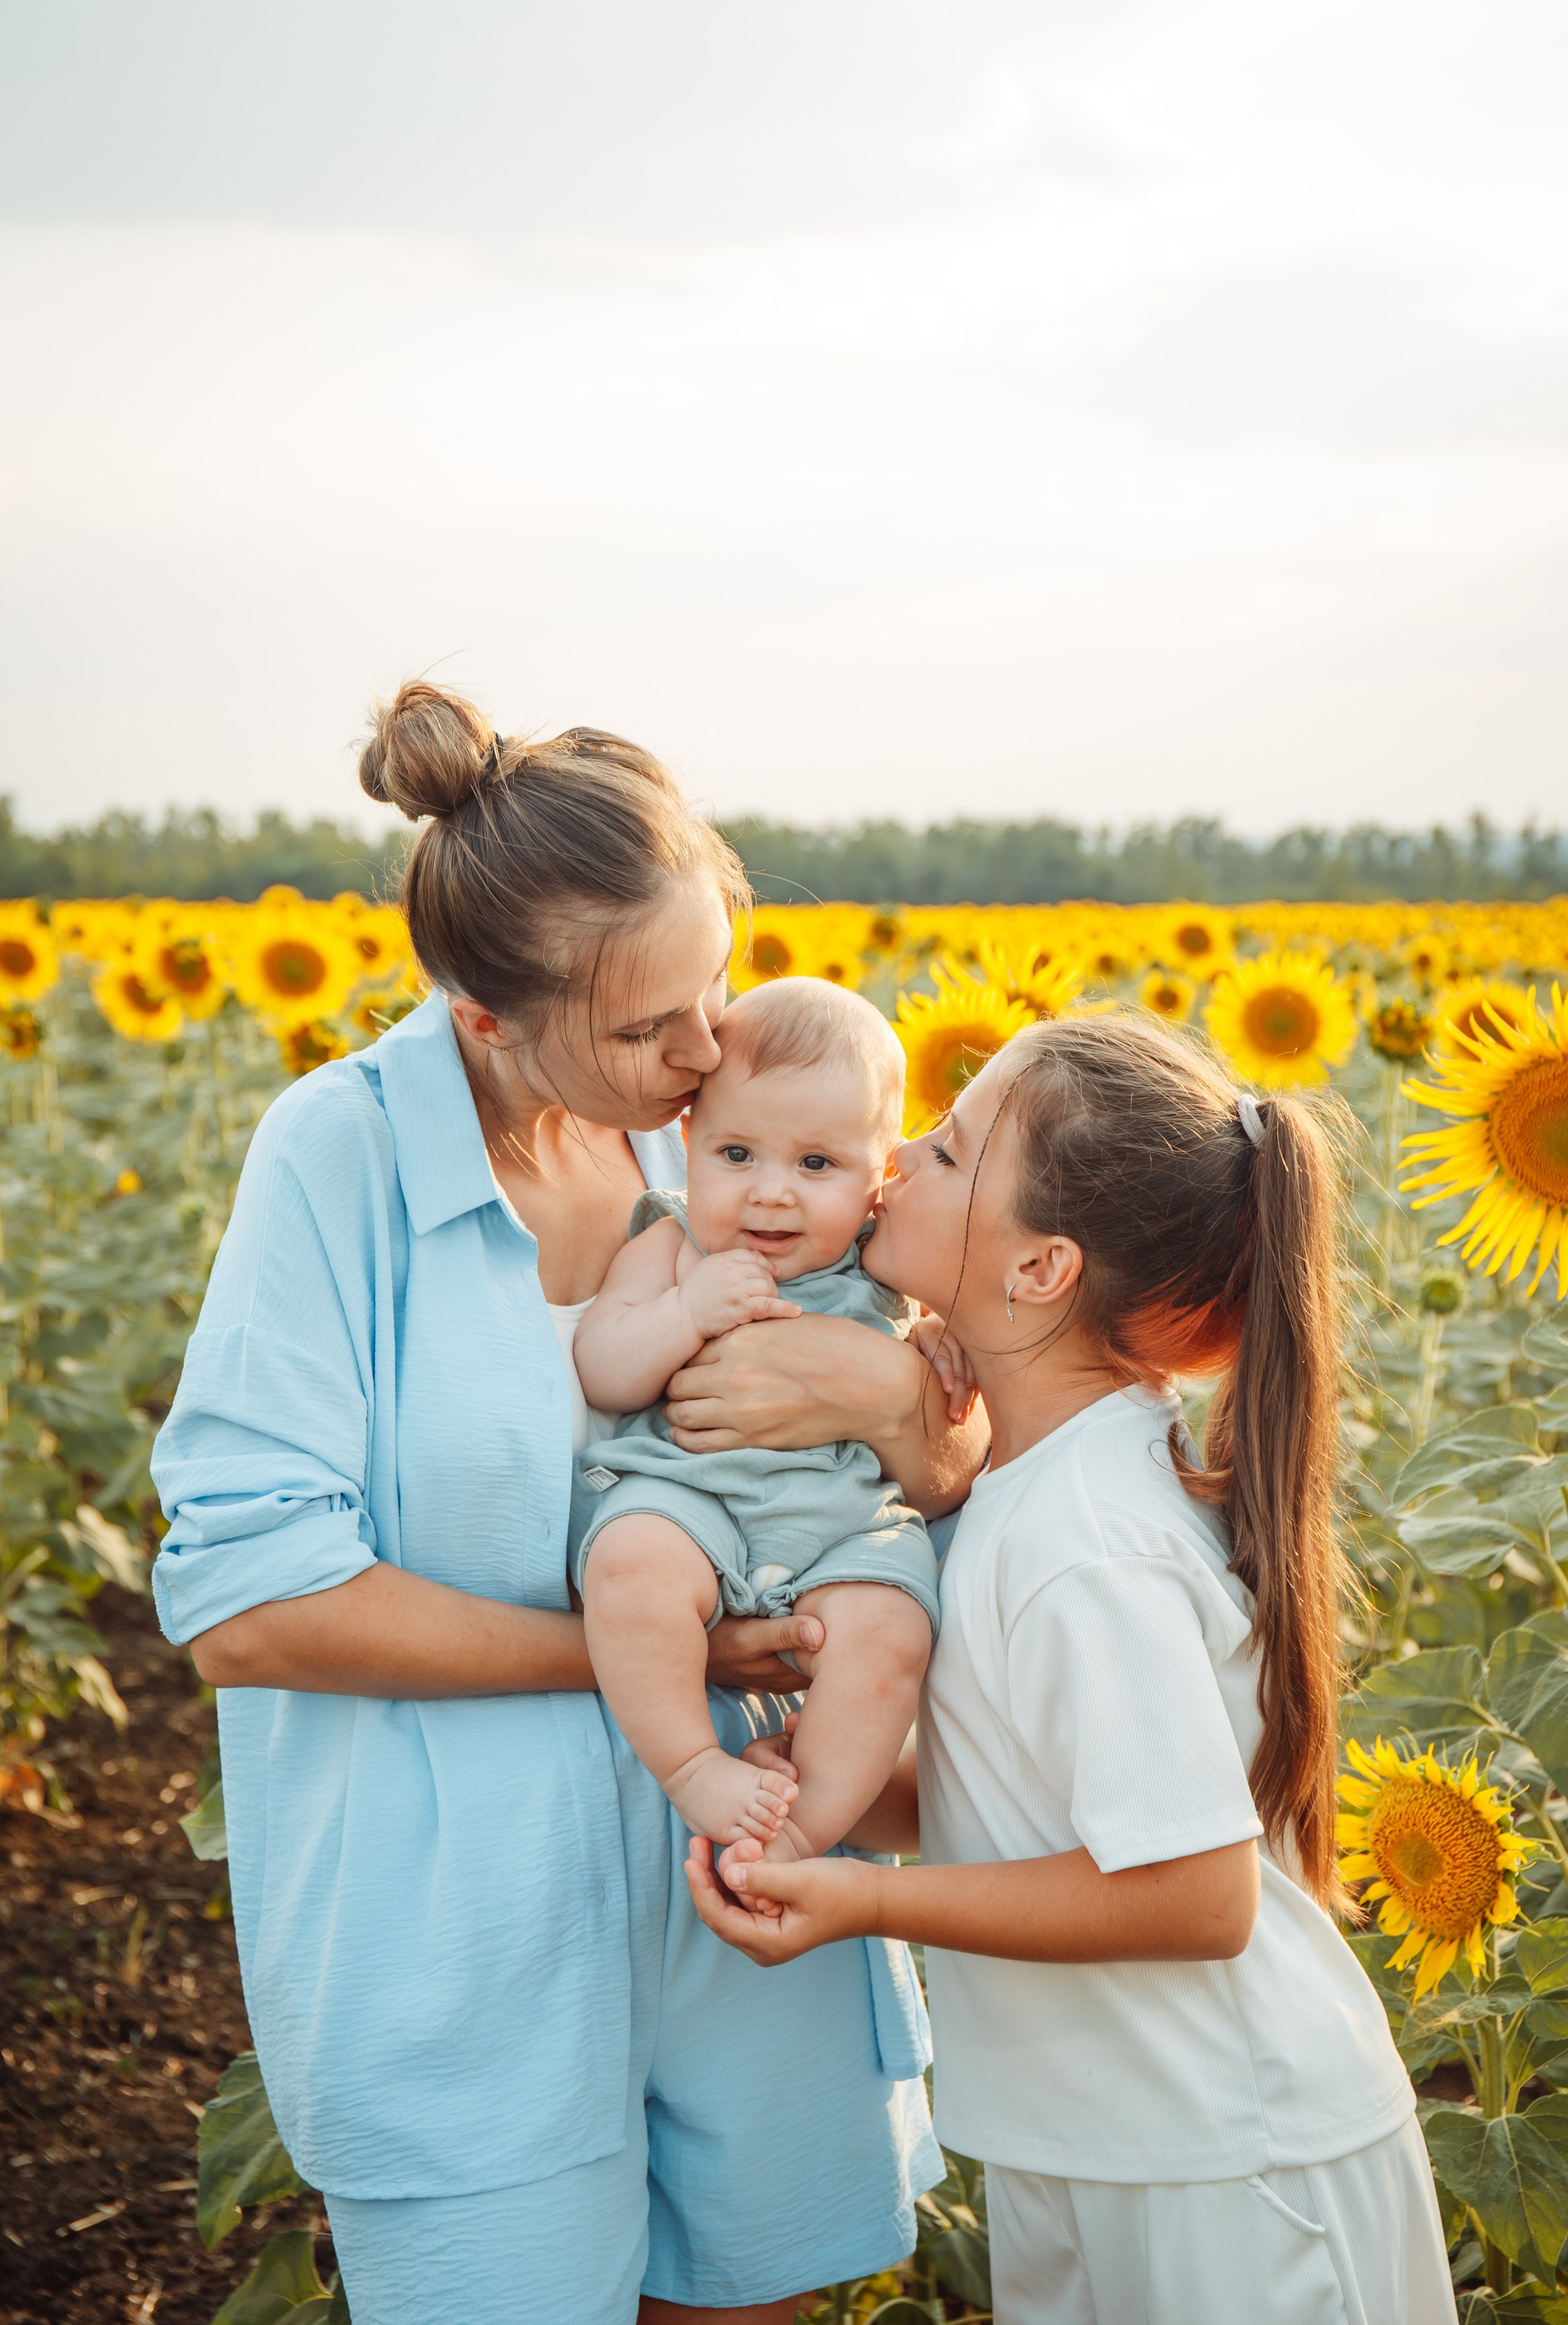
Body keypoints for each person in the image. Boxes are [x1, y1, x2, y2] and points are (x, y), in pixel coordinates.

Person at [150, 681, 983, 2325]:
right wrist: (651, 1660)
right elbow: (248, 1601)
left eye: (714, 990)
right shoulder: (338, 1160)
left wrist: (896, 1401)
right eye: (640, 1030)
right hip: (466, 1944)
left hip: (747, 1902)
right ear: (483, 1018)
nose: (701, 1055)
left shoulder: (734, 1139)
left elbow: (947, 1458)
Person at [689, 1011, 1455, 2325]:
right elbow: (1046, 1803)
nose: (892, 1167)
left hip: (1230, 2168)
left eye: (941, 1148)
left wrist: (863, 1903)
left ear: (1038, 1266)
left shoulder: (1081, 1538)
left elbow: (1191, 1892)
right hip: (1110, 2141)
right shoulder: (1028, 1486)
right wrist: (841, 1794)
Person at [571, 975, 940, 1899]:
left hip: (845, 1520)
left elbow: (947, 1372)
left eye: (818, 1166)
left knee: (892, 1632)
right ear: (689, 1145)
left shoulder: (888, 1259)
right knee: (628, 1568)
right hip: (689, 1496)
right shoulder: (673, 1242)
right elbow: (606, 1366)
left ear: (877, 1178)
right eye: (737, 1153)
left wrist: (938, 1345)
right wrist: (686, 1311)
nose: (771, 1194)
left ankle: (799, 1829)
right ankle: (696, 1769)